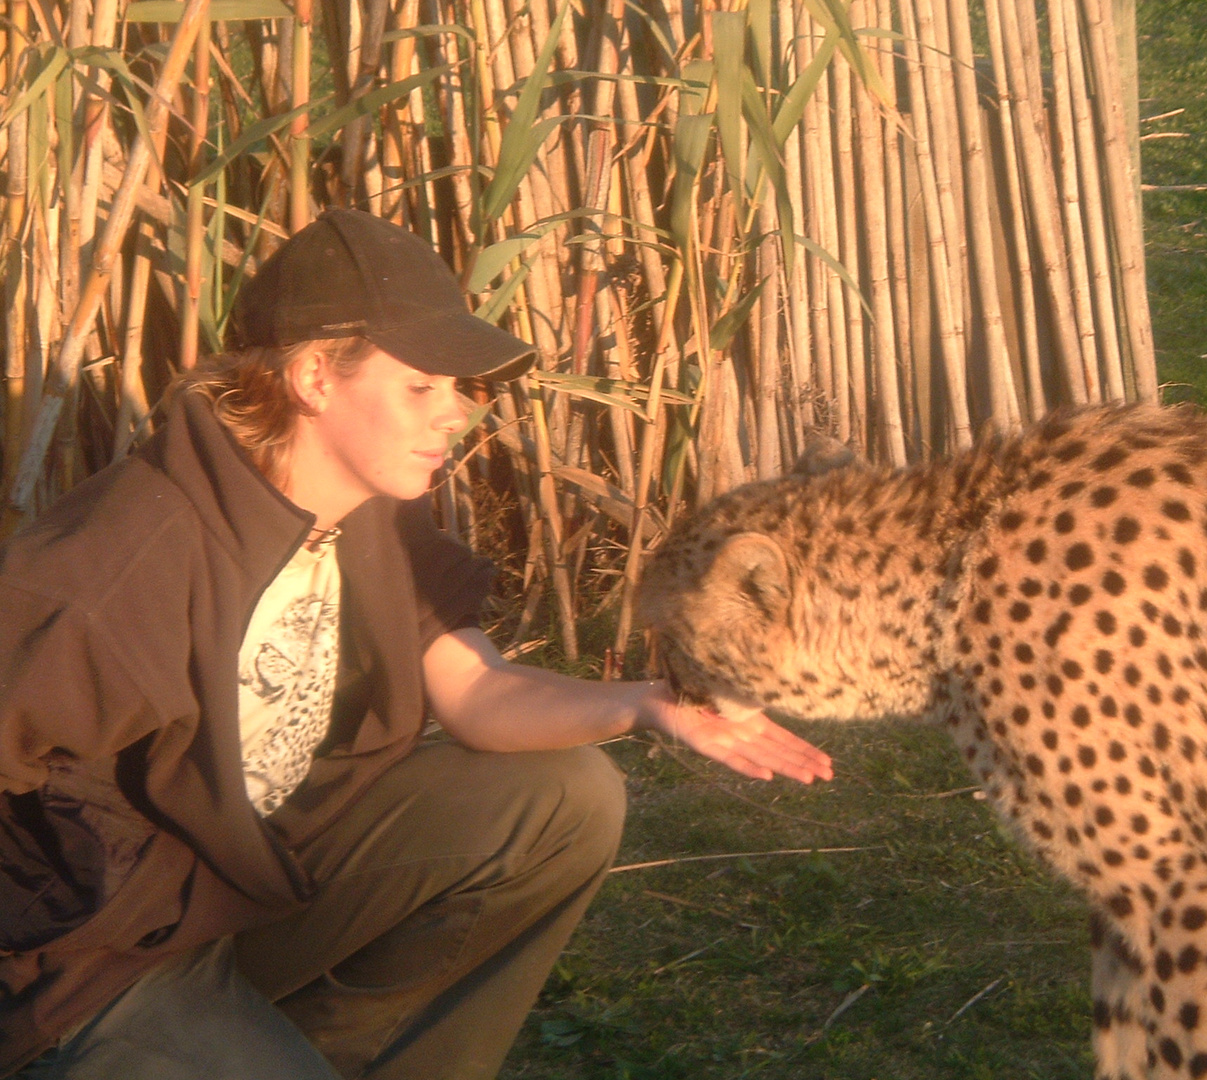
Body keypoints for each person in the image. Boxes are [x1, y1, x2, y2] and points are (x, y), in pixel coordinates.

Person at [0, 209, 832, 1080]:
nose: (456, 417)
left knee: (565, 799)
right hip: (95, 963)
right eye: (421, 387)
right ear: (316, 375)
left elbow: (478, 692)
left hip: (247, 889)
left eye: (461, 390)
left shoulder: (372, 521)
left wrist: (645, 706)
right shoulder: (122, 562)